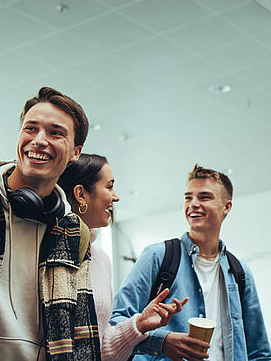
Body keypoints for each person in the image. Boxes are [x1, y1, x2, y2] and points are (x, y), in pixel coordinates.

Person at [0, 87, 99, 361]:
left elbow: (82, 335)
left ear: (76, 152)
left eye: (55, 132)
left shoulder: (76, 234)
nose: (39, 140)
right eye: (31, 128)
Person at [111, 165, 271, 361]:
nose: (193, 204)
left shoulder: (239, 272)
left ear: (226, 207)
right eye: (188, 197)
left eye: (204, 197)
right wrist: (163, 341)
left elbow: (258, 351)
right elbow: (116, 323)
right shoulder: (157, 256)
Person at [58, 153, 189, 361]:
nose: (116, 197)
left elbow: (100, 349)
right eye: (109, 187)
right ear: (81, 194)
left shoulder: (100, 260)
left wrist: (139, 324)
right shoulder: (47, 252)